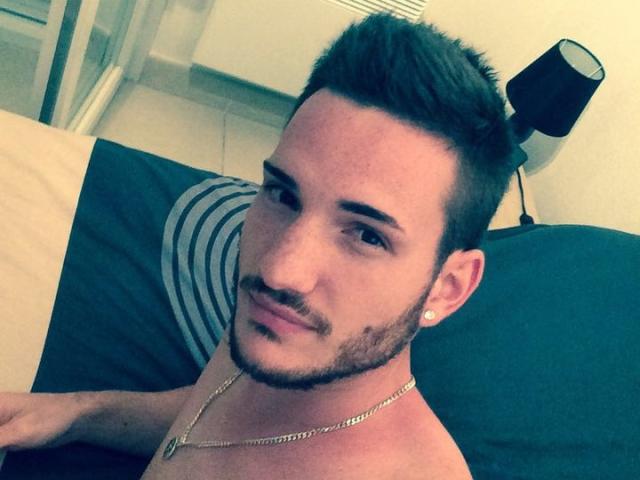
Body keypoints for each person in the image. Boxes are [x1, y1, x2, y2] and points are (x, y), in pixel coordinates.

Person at [0, 13, 515, 479]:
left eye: (366, 234)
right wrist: (78, 413)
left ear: (448, 288)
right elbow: (208, 414)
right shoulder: (286, 329)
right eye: (284, 195)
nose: (278, 271)